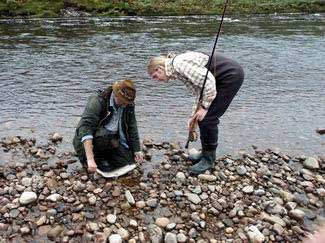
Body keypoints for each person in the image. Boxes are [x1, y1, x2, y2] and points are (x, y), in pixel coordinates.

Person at [147, 50, 244, 174]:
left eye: (155, 76)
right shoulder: (176, 67)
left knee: (208, 119)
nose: (157, 80)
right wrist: (193, 116)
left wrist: (204, 108)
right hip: (220, 79)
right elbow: (199, 91)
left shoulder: (179, 64)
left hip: (230, 76)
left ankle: (209, 159)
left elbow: (208, 83)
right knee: (201, 118)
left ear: (160, 69)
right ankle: (205, 153)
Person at [73, 79, 144, 173]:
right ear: (115, 94)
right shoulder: (97, 101)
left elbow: (132, 127)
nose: (124, 105)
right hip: (92, 140)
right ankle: (93, 157)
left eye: (127, 103)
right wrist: (90, 159)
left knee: (128, 162)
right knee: (98, 167)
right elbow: (86, 128)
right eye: (122, 102)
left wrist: (137, 150)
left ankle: (105, 157)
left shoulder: (128, 104)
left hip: (111, 139)